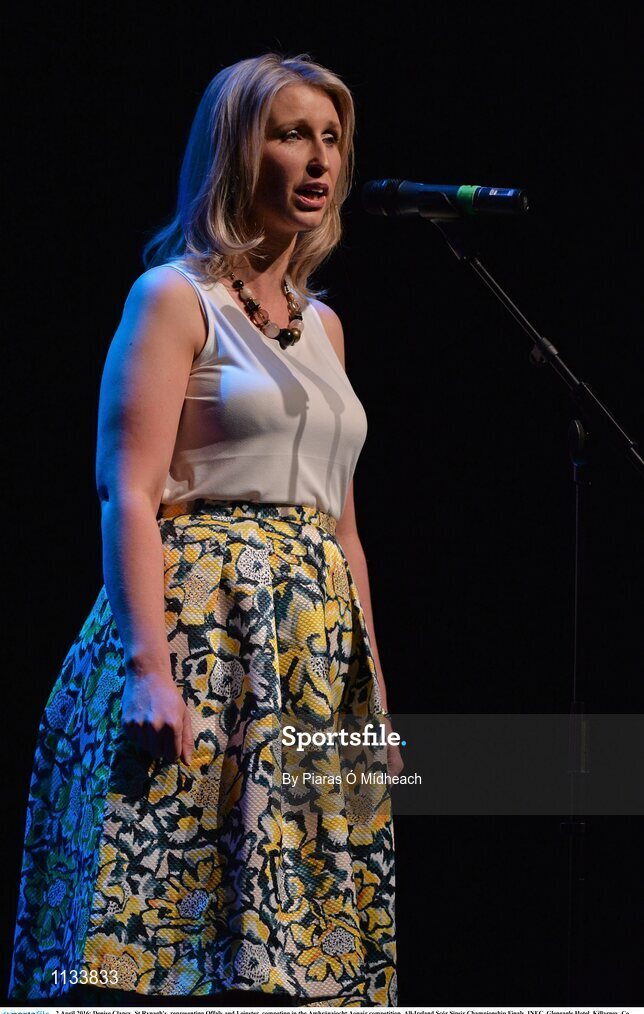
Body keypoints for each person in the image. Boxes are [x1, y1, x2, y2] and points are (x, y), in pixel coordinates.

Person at [8, 52, 400, 1008]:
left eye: (332, 140)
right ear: (236, 151)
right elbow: (127, 492)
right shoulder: (177, 300)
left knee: (297, 938)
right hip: (202, 636)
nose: (318, 161)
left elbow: (342, 528)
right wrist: (150, 666)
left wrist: (372, 687)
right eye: (291, 134)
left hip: (309, 656)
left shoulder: (328, 325)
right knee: (169, 921)